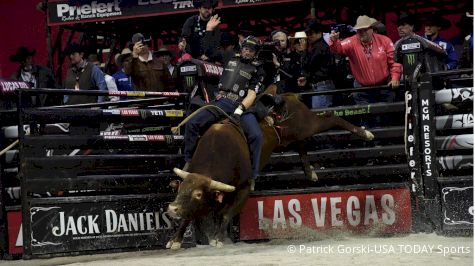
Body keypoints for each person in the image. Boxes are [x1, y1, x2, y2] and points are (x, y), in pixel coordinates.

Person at [183, 36, 266, 190]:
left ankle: (253, 176)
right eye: (246, 48)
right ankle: (189, 161)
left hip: (242, 105)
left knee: (256, 136)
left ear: (256, 53)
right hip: (221, 101)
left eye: (251, 50)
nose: (248, 52)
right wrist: (209, 31)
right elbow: (208, 51)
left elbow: (252, 94)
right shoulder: (229, 57)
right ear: (242, 48)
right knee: (192, 123)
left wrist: (240, 110)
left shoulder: (258, 69)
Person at [329, 15, 402, 106]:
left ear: (371, 29)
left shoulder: (385, 40)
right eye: (359, 30)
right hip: (362, 90)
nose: (362, 33)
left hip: (385, 86)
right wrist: (334, 42)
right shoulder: (351, 42)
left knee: (386, 117)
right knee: (367, 119)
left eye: (365, 30)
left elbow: (395, 61)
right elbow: (338, 49)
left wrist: (395, 77)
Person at [300, 19, 336, 108]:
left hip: (322, 86)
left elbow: (307, 66)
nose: (308, 36)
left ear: (319, 32)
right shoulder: (319, 46)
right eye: (307, 34)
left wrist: (304, 50)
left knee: (321, 116)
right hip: (321, 85)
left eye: (311, 33)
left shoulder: (319, 48)